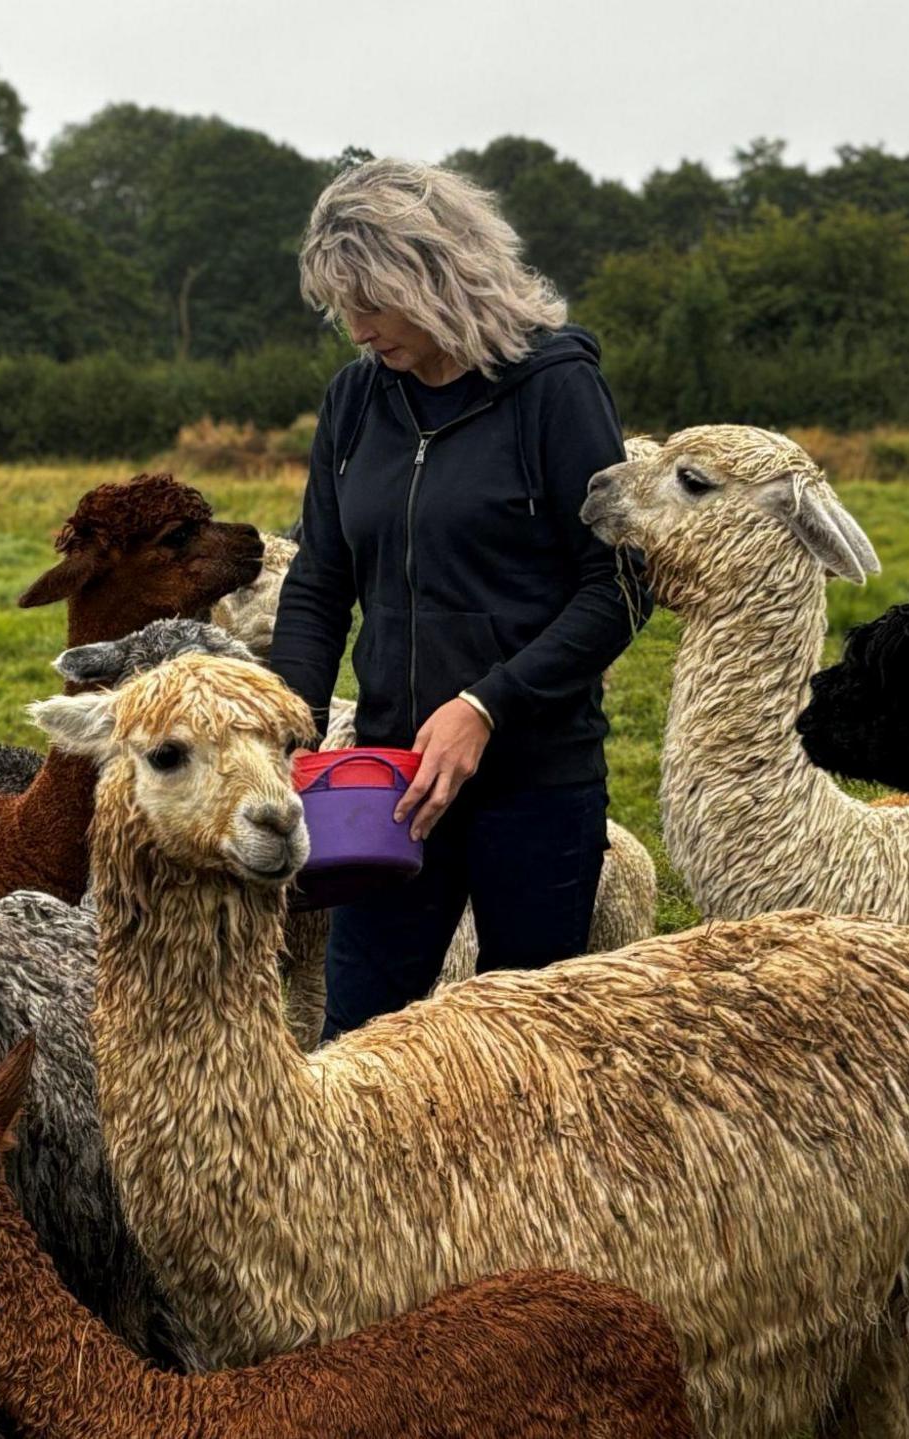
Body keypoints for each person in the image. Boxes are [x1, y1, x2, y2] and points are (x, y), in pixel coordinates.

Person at [270, 157, 650, 1040]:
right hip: (384, 786)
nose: (358, 331)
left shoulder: (556, 389)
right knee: (361, 1045)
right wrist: (283, 723)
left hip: (535, 783)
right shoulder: (357, 400)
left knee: (528, 1059)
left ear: (437, 275)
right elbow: (322, 580)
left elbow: (620, 587)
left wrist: (486, 704)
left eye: (372, 303)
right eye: (341, 310)